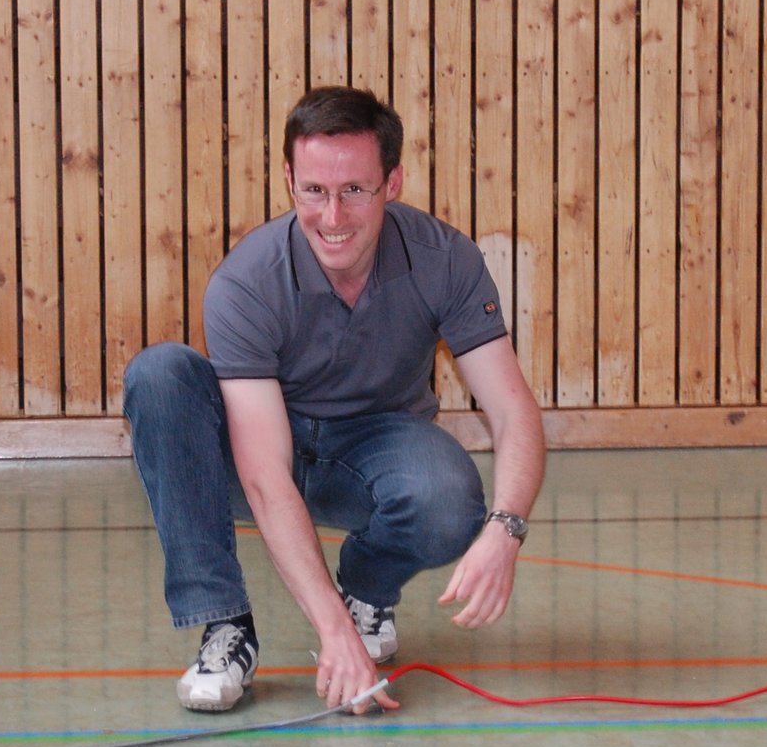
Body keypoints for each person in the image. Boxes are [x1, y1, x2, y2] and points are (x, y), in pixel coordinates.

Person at [122, 86, 547, 715]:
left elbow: (513, 410)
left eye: (355, 190)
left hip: (374, 448)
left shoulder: (445, 260)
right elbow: (264, 476)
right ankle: (227, 625)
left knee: (449, 500)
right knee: (160, 375)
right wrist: (334, 637)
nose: (333, 215)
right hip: (266, 449)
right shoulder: (247, 282)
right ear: (289, 181)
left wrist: (506, 529)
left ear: (392, 182)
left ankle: (367, 590)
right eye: (314, 190)